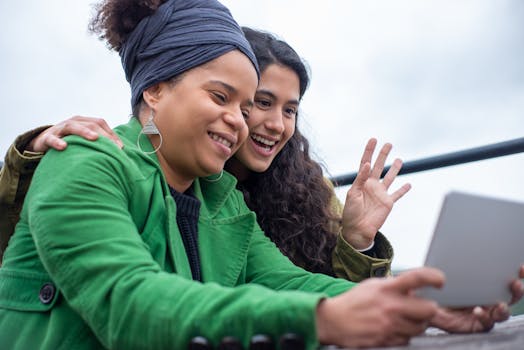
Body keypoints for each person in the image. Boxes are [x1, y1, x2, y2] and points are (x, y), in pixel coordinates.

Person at [0, 1, 522, 348]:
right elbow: (128, 301)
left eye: (246, 104)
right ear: (154, 89)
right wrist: (315, 320)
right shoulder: (85, 161)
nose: (240, 120)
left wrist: (422, 302)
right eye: (220, 96)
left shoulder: (221, 200)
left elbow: (289, 281)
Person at [1, 29, 402, 282]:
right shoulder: (128, 166)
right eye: (258, 102)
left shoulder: (307, 193)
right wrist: (31, 157)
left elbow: (312, 291)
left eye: (290, 109)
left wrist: (356, 243)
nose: (277, 124)